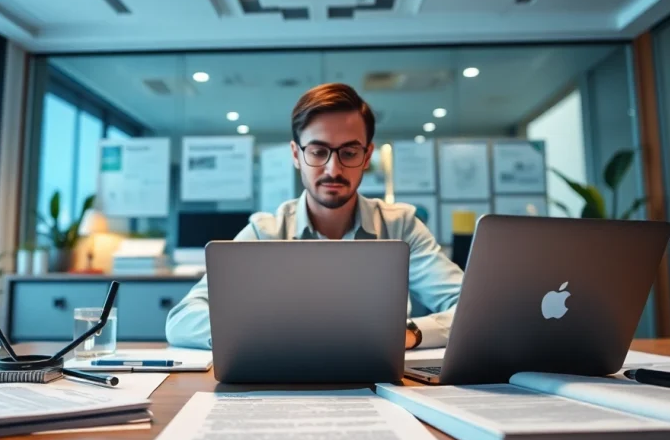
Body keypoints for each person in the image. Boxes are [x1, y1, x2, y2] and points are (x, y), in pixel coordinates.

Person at [165, 83, 463, 350]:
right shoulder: (265, 232)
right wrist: (273, 334)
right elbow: (183, 319)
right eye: (319, 152)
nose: (333, 169)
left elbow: (469, 308)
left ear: (367, 156)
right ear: (296, 155)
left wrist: (409, 332)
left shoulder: (402, 226)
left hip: (383, 384)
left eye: (349, 153)